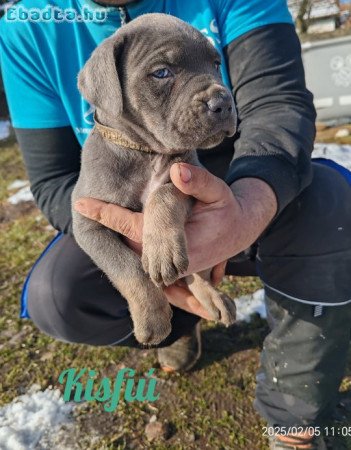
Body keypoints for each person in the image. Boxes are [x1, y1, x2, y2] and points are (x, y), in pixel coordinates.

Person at [1, 1, 351, 448]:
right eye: (163, 74)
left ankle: (296, 414)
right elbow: (53, 181)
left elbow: (278, 102)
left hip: (247, 183)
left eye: (213, 66)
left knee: (332, 205)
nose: (215, 94)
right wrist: (138, 258)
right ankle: (180, 320)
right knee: (57, 294)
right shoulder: (30, 23)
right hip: (125, 214)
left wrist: (246, 207)